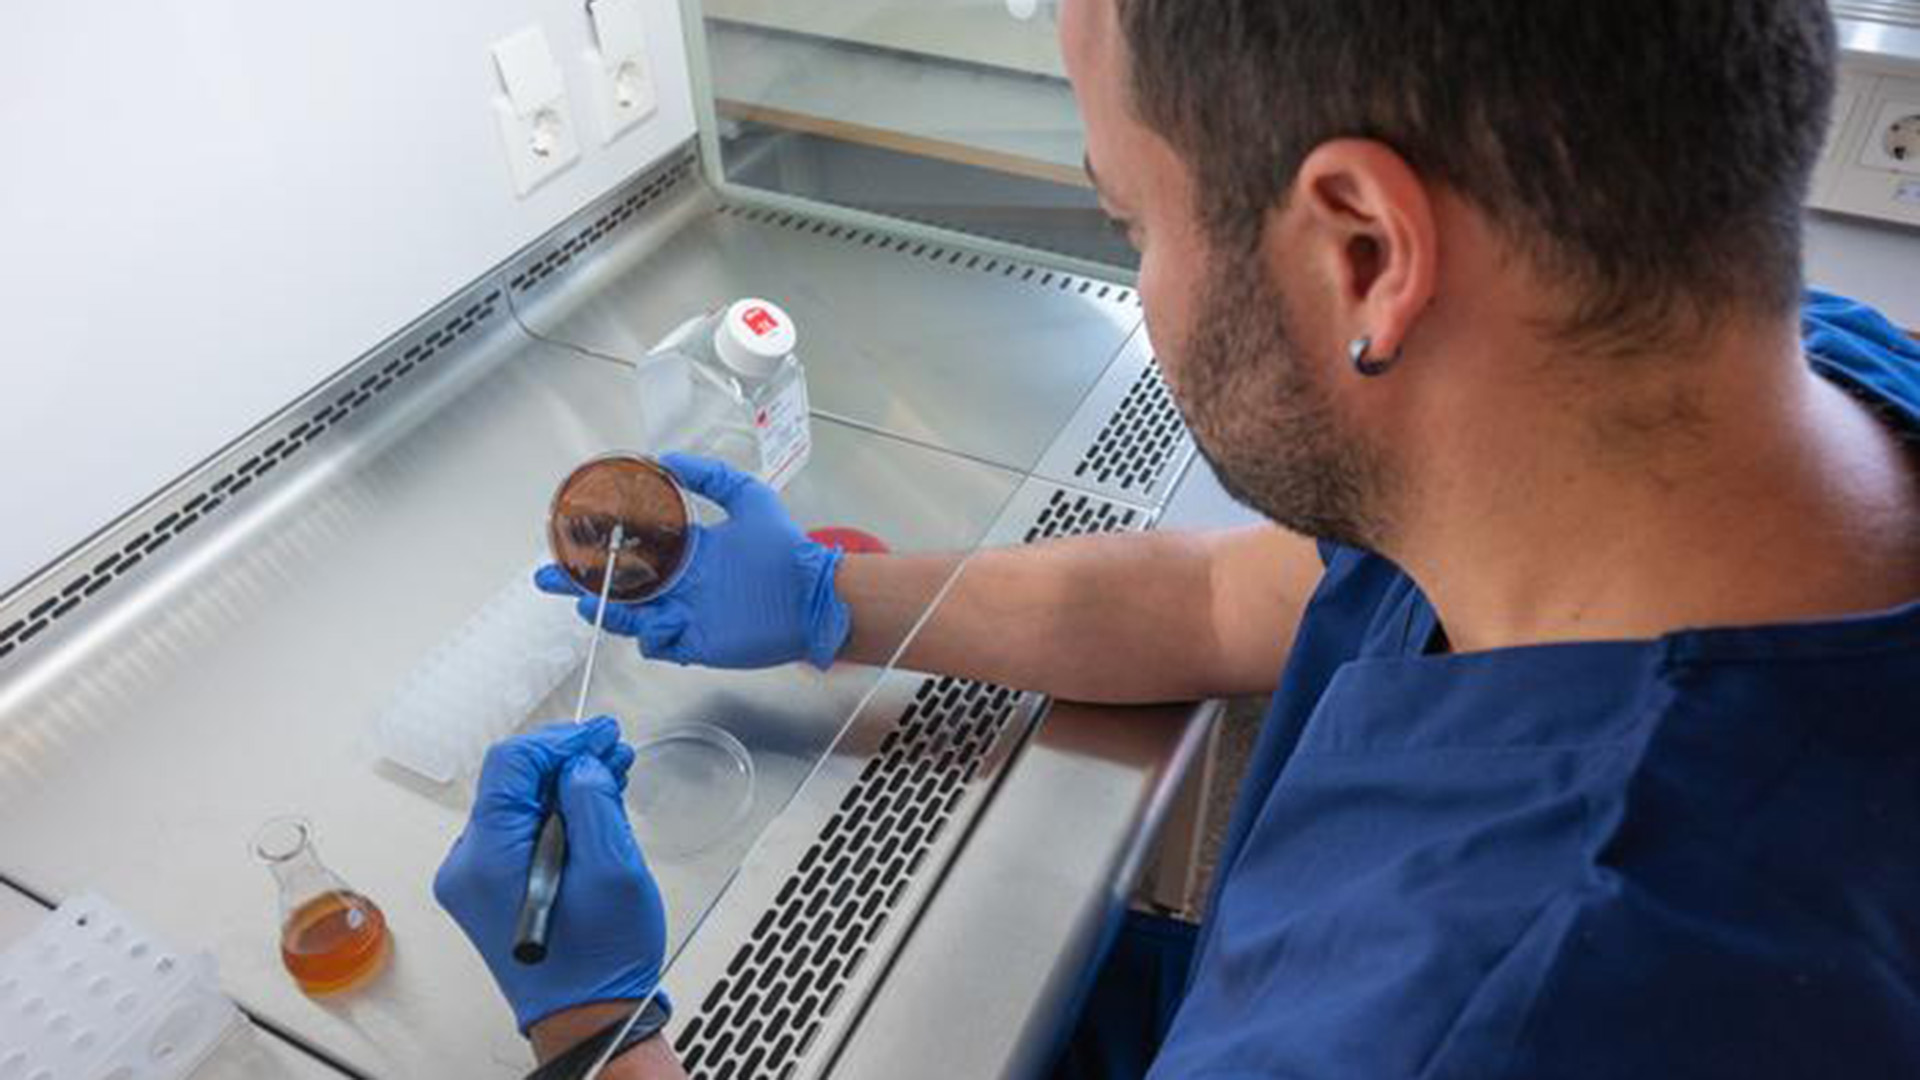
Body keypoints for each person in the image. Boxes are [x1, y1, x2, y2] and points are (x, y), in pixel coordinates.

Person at [434, 0, 1920, 1075]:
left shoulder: (1500, 1007)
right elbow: (1222, 597)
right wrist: (831, 597)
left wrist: (599, 1036)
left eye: (1132, 221)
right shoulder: (1769, 382)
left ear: (1365, 254)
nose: (1141, 284)